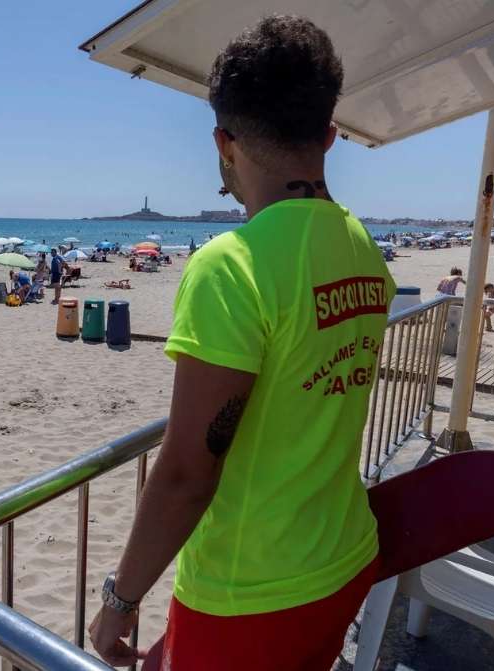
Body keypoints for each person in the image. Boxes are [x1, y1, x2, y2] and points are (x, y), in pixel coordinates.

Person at [88, 17, 392, 670]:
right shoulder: (364, 247)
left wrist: (120, 597)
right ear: (330, 136)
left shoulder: (232, 266)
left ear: (225, 141)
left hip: (252, 590)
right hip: (343, 558)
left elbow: (186, 471)